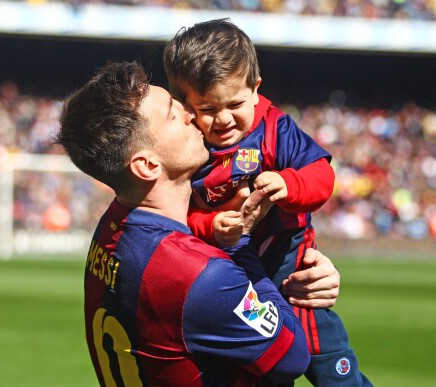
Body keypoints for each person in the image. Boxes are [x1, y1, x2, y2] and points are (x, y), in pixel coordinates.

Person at [56, 61, 342, 386]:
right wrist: (244, 246)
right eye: (172, 114)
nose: (191, 114)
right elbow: (291, 357)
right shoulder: (198, 277)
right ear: (147, 164)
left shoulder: (114, 221)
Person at [163, 18, 371, 386]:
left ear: (256, 89)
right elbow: (181, 213)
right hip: (227, 269)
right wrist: (210, 225)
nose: (223, 118)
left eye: (235, 103)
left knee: (319, 342)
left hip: (287, 261)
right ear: (185, 106)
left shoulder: (276, 127)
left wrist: (289, 183)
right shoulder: (188, 147)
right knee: (259, 363)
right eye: (207, 108)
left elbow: (321, 176)